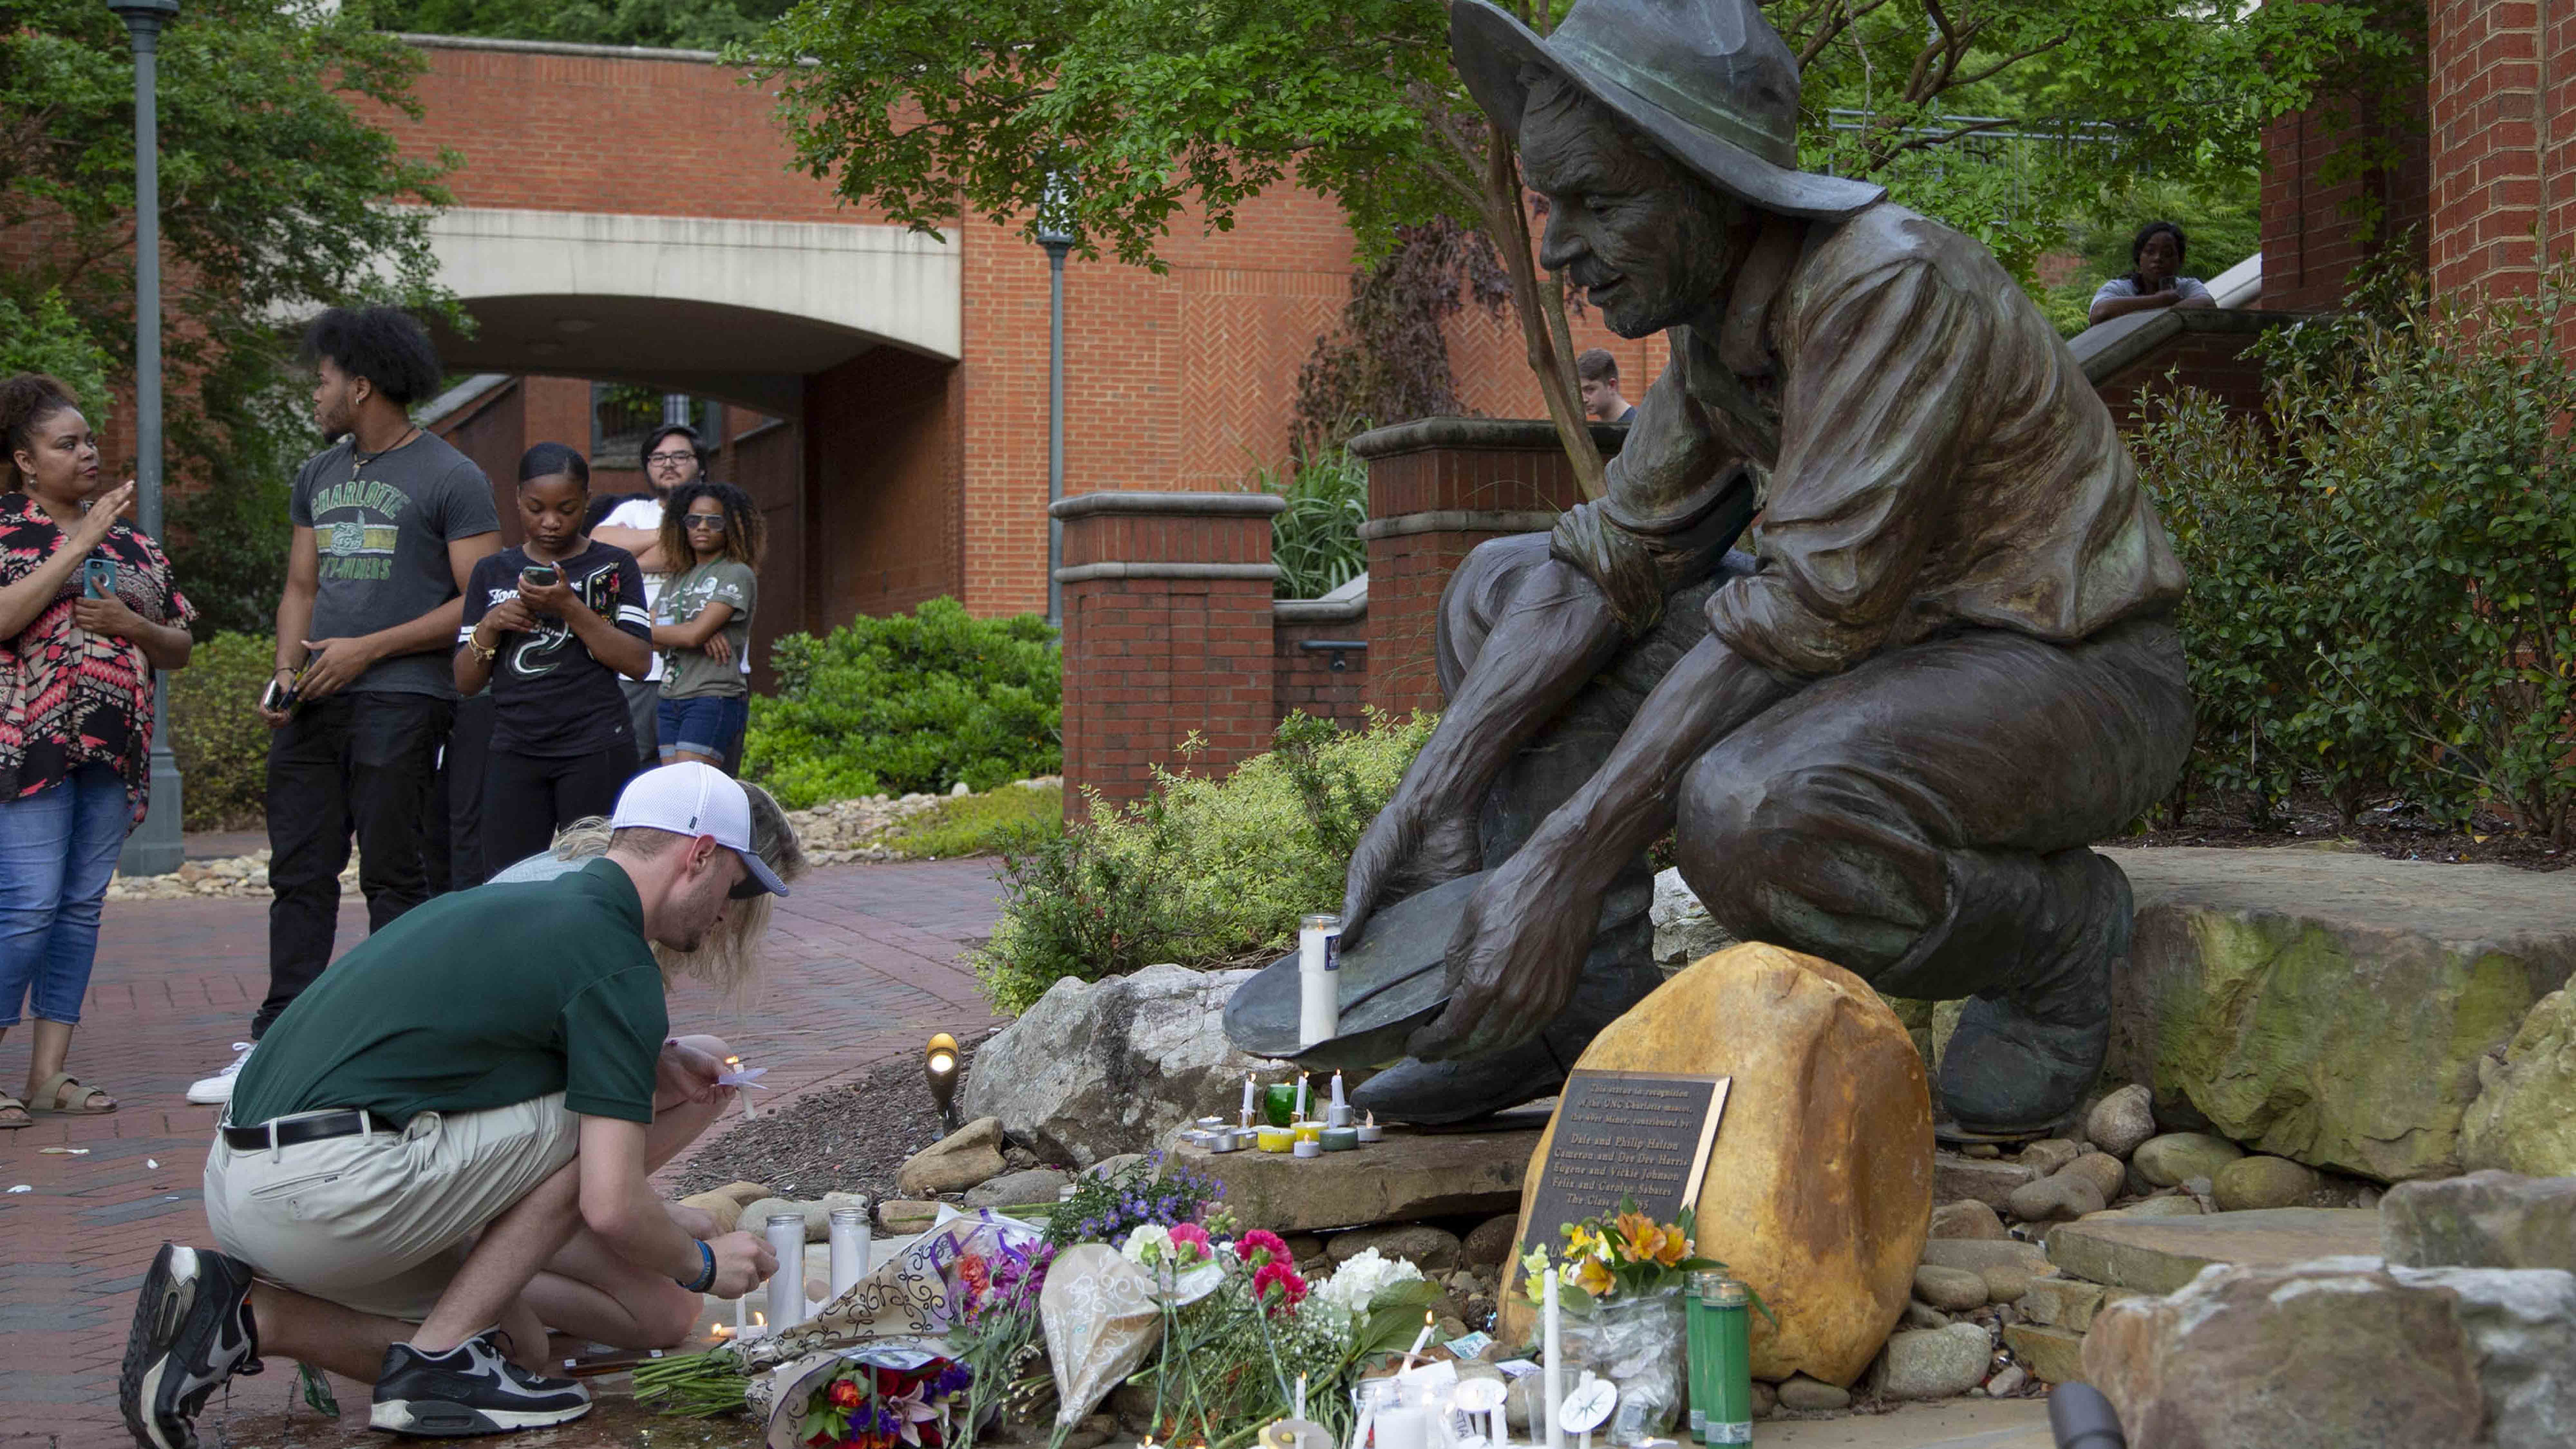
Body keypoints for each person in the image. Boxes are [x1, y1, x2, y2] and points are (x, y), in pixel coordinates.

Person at [1329, 0, 2189, 1139]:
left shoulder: (1887, 284)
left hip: (2073, 674)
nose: (1554, 249)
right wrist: (1434, 788)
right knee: (1502, 587)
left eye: (1597, 202)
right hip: (1884, 659)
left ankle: (2055, 937)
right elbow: (1614, 563)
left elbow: (1805, 607)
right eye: (1550, 203)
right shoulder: (1717, 324)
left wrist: (1562, 860)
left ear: (1709, 182)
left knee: (1749, 812)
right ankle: (1568, 1013)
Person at [121, 762, 789, 1448]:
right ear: (700, 855)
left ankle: (248, 1316)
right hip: (324, 1193)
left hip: (246, 1184)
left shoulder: (514, 906)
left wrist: (655, 1094)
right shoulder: (615, 959)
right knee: (603, 1125)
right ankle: (437, 1360)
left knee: (515, 1356)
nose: (724, 914)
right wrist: (702, 1266)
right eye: (733, 887)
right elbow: (611, 1202)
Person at [186, 309, 501, 1108]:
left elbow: (481, 601)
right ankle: (278, 1041)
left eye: (322, 379)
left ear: (360, 385)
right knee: (300, 873)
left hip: (404, 699)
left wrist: (371, 649)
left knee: (397, 876)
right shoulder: (318, 473)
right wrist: (285, 673)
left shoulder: (450, 476)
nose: (316, 393)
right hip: (316, 706)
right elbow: (302, 588)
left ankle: (398, 1041)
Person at [0, 376, 195, 1127]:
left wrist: (135, 625)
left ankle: (48, 1075)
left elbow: (178, 643)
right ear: (25, 459)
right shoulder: (9, 534)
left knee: (78, 910)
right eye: (67, 443)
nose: (87, 452)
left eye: (89, 441)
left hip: (113, 752)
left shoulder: (134, 543)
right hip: (26, 751)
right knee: (27, 908)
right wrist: (76, 544)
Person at [456, 445, 653, 878]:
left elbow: (638, 662)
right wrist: (490, 626)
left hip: (596, 744)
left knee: (595, 879)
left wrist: (570, 607)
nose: (550, 522)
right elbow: (466, 682)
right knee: (509, 883)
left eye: (566, 509)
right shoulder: (493, 572)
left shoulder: (613, 565)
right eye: (535, 508)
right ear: (517, 499)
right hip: (515, 746)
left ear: (586, 499)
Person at [592, 422, 709, 769]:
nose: (668, 463)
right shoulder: (632, 511)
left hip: (701, 668)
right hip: (639, 670)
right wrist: (672, 537)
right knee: (631, 771)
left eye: (680, 456)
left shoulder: (716, 511)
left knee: (694, 776)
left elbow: (680, 555)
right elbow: (600, 548)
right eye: (658, 457)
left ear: (701, 465)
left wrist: (632, 555)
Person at [650, 481, 763, 770]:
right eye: (693, 520)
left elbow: (690, 634)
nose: (702, 526)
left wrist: (692, 633)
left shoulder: (737, 573)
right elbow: (652, 638)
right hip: (669, 697)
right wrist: (692, 632)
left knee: (693, 790)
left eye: (714, 520)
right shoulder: (676, 579)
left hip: (712, 697)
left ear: (731, 526)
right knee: (673, 791)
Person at [2085, 221, 2215, 326]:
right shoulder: (2119, 288)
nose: (2158, 258)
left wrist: (2163, 311)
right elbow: (2100, 313)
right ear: (2139, 256)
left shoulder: (2188, 287)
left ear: (2180, 260)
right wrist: (2160, 301)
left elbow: (2208, 305)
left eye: (2168, 254)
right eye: (2150, 251)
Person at [1576, 348, 1636, 423]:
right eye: (1580, 391)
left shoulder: (1640, 426)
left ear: (1612, 386)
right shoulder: (1598, 430)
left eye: (1590, 390)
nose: (1584, 400)